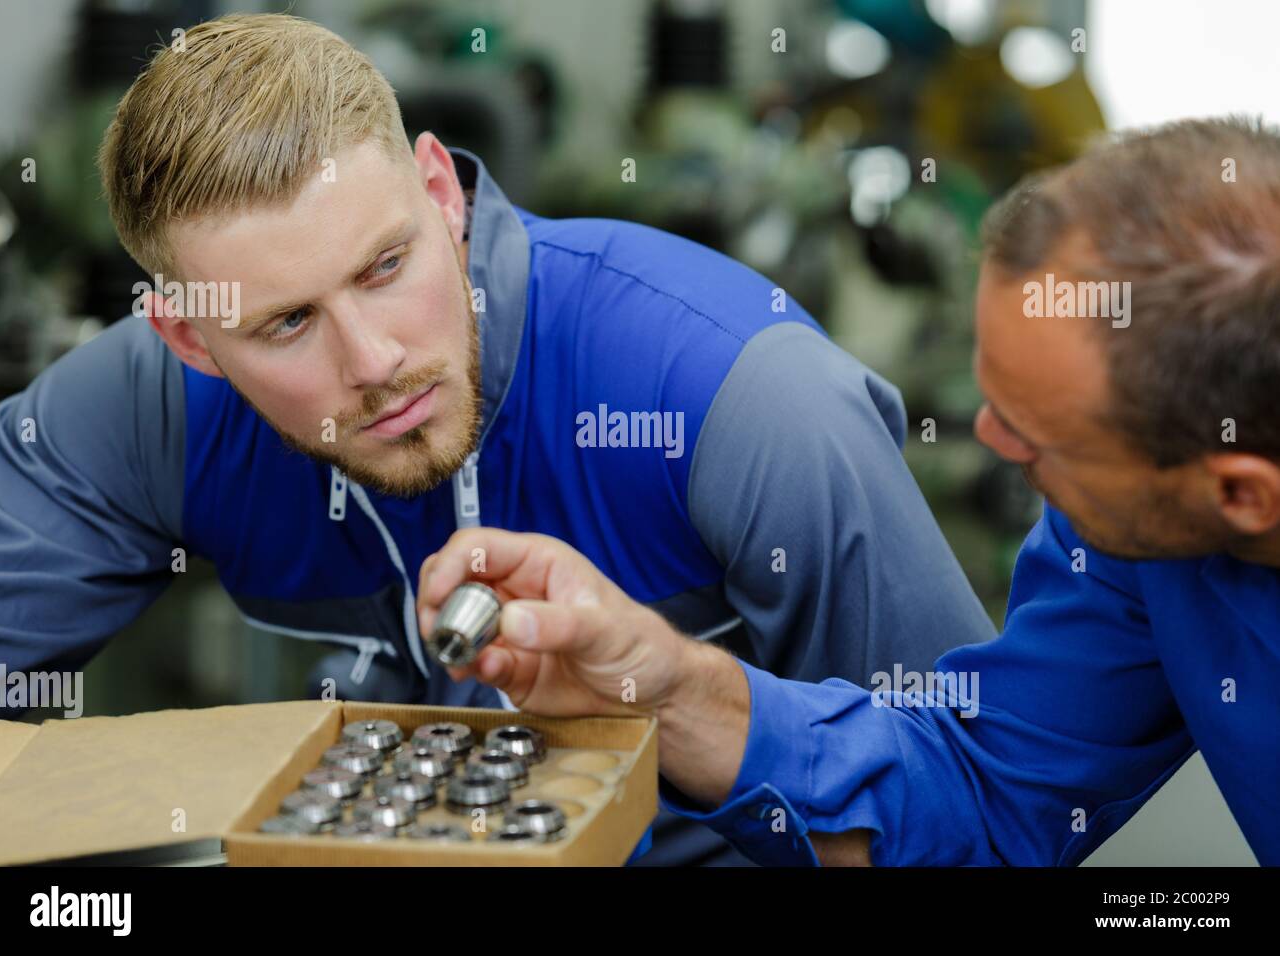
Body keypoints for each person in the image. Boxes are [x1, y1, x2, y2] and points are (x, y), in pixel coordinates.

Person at [0, 14, 994, 865]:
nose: (372, 360)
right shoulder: (138, 412)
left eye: (384, 267)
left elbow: (976, 806)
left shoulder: (748, 398)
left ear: (439, 191)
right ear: (187, 337)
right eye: (287, 323)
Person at [416, 116, 1280, 866]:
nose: (984, 437)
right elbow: (989, 798)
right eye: (990, 397)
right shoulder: (1135, 544)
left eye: (1034, 435)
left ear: (1242, 496)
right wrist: (673, 689)